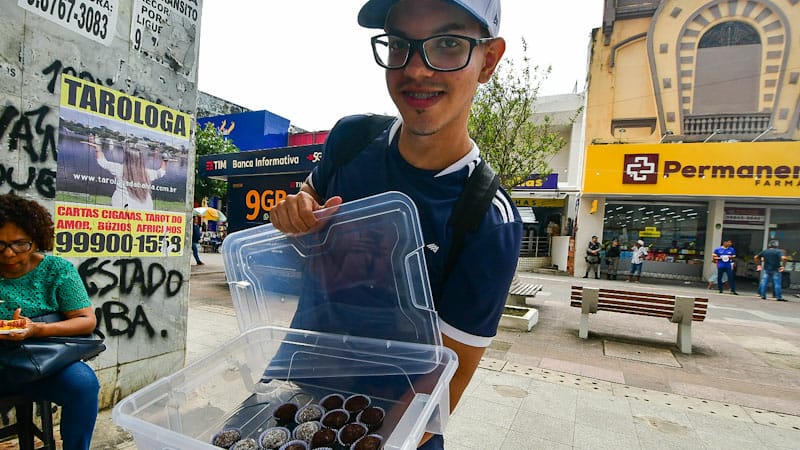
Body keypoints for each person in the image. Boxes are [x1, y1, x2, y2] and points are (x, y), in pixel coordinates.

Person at [270, 1, 520, 448]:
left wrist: (382, 441)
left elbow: (445, 379)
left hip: (392, 428)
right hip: (291, 394)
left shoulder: (488, 219)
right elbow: (308, 194)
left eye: (447, 44)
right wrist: (298, 208)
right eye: (402, 45)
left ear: (489, 60)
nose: (417, 70)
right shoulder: (351, 139)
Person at [0, 193, 99, 450]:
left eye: (20, 244)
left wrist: (36, 329)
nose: (9, 254)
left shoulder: (57, 270)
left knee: (83, 383)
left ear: (36, 239)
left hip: (46, 363)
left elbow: (86, 321)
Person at [93, 140, 167, 211]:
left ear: (127, 158)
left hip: (122, 208)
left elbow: (102, 162)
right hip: (145, 210)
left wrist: (98, 150)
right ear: (141, 159)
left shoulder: (119, 169)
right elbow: (161, 172)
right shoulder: (147, 173)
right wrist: (164, 160)